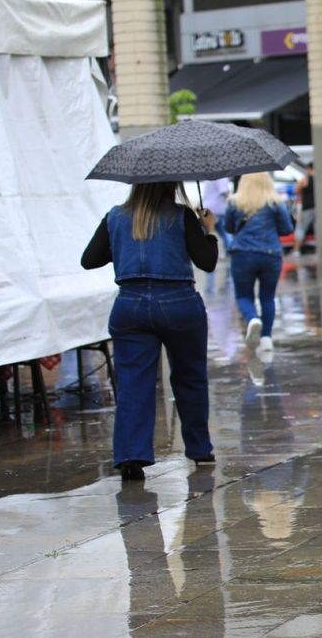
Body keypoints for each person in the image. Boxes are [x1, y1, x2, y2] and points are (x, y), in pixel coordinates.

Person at [80, 182, 219, 480]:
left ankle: (131, 456)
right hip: (179, 304)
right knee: (189, 377)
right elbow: (206, 262)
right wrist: (209, 230)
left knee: (133, 382)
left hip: (130, 307)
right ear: (172, 186)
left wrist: (122, 245)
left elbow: (89, 260)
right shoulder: (182, 217)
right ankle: (199, 449)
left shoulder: (115, 217)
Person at [225, 172, 294, 358]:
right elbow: (287, 229)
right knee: (267, 298)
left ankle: (252, 319)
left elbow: (228, 228)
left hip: (243, 254)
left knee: (244, 296)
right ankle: (266, 339)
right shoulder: (275, 202)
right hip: (270, 254)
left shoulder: (234, 202)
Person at [200, 177, 234, 250]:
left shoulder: (209, 176)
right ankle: (231, 249)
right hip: (217, 209)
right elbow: (224, 192)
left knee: (203, 232)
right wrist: (233, 201)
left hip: (207, 208)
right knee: (226, 233)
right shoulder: (221, 176)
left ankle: (200, 250)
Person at [294, 162, 315, 250]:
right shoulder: (321, 179)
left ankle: (296, 250)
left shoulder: (305, 179)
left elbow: (297, 190)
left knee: (301, 228)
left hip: (307, 207)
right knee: (320, 229)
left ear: (309, 168)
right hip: (319, 208)